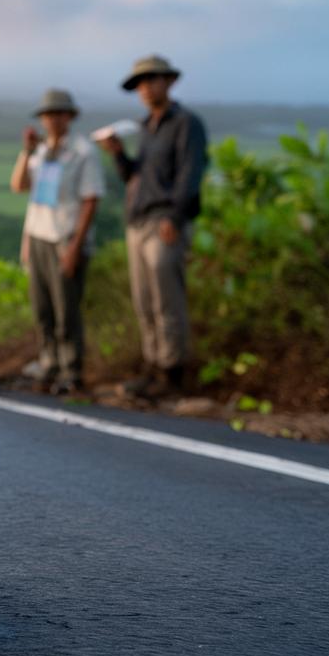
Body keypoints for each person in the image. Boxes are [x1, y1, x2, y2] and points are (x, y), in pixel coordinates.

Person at [98, 55, 208, 399]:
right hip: (139, 221)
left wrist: (174, 218)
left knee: (167, 299)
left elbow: (190, 175)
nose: (145, 88)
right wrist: (117, 153)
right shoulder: (147, 126)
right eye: (140, 83)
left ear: (169, 82)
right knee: (144, 300)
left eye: (151, 80)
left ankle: (172, 375)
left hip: (164, 221)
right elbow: (136, 176)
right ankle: (154, 369)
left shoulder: (187, 123)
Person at [11, 89, 104, 395]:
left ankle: (71, 371)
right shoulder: (39, 152)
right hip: (38, 236)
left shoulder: (82, 151)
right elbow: (19, 186)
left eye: (57, 114)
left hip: (65, 239)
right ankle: (49, 364)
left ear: (69, 116)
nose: (51, 120)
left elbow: (91, 200)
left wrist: (75, 247)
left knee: (67, 311)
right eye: (47, 115)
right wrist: (26, 151)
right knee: (43, 309)